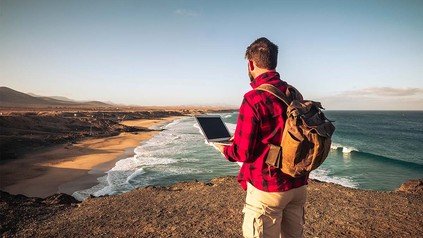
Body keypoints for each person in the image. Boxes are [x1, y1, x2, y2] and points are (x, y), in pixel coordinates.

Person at [215, 37, 308, 238]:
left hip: (269, 188)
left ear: (251, 63)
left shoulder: (253, 99)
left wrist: (224, 148)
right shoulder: (295, 94)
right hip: (298, 184)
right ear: (274, 61)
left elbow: (242, 152)